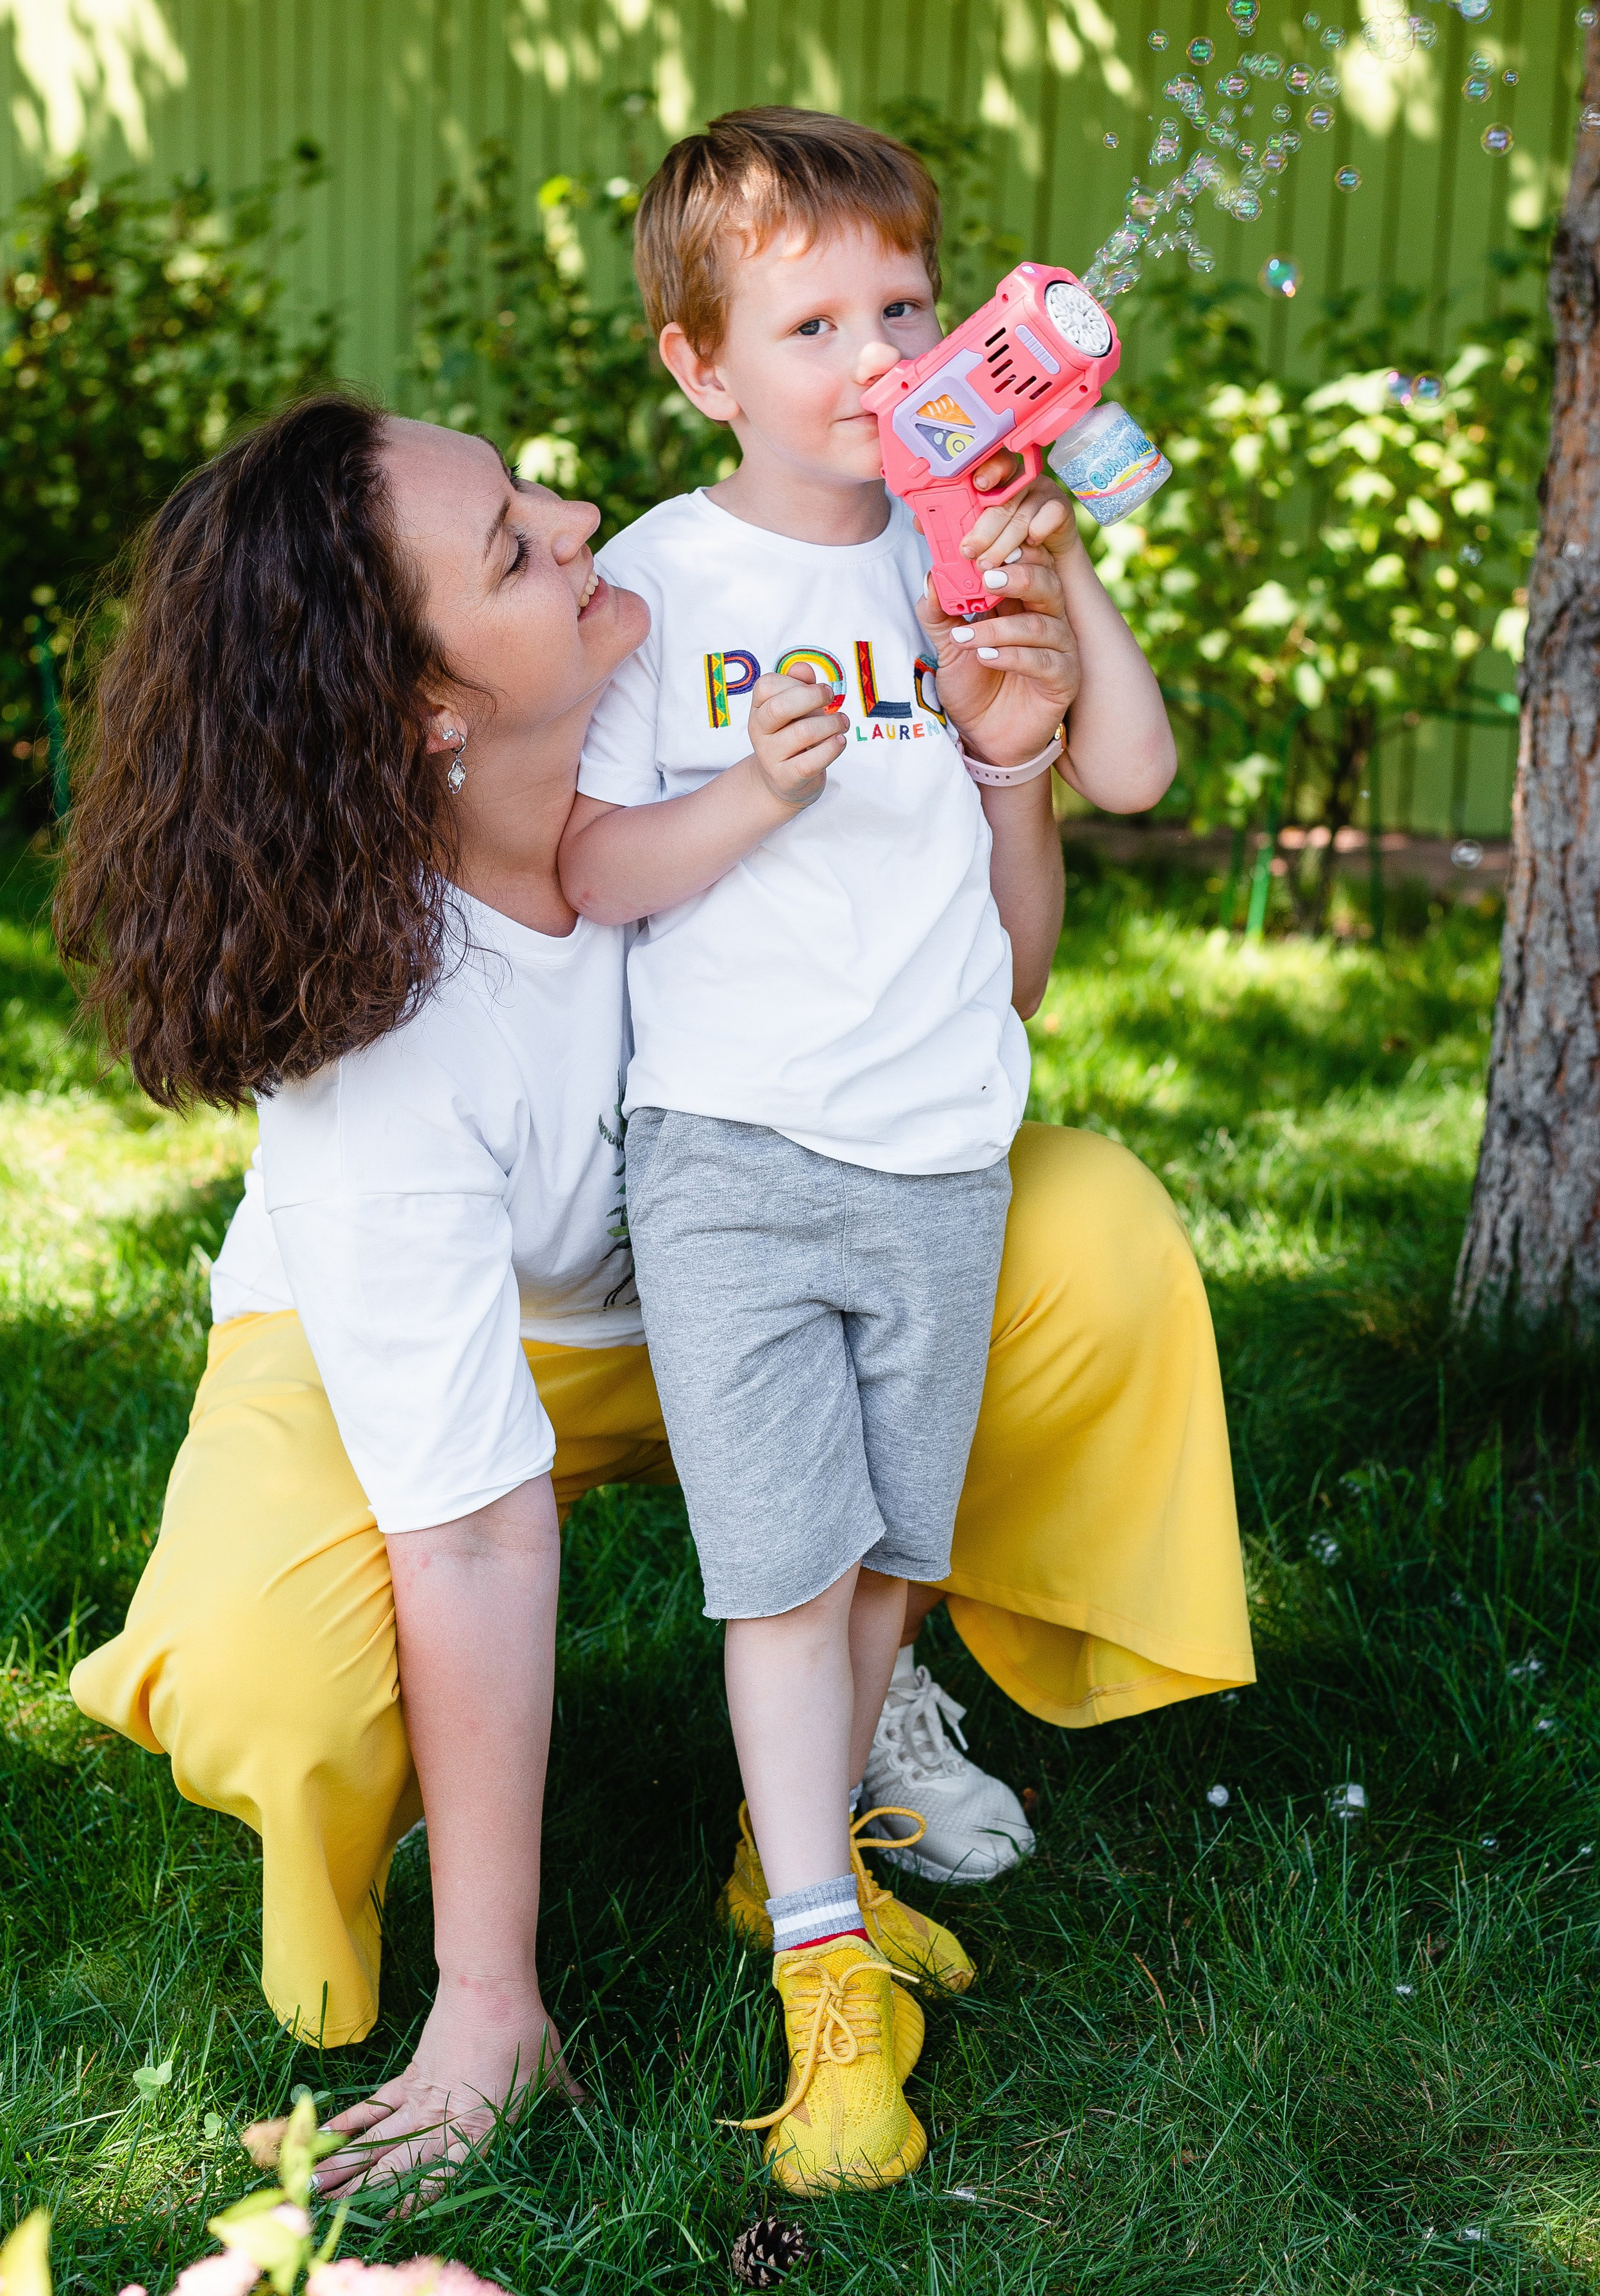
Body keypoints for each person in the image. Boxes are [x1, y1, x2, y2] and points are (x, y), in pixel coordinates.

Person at [56, 391, 1252, 2202]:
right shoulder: (387, 1053)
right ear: (431, 708)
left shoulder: (687, 698)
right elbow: (470, 1532)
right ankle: (429, 1903)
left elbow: (982, 997)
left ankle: (866, 1682)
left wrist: (1012, 770)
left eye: (534, 491)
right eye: (518, 546)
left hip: (743, 1277)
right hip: (430, 1351)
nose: (581, 512)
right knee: (263, 1684)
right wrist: (492, 1996)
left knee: (1079, 1233)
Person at [557, 106, 1177, 2193]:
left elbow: (1130, 772)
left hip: (939, 1147)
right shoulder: (666, 575)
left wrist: (1049, 605)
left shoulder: (960, 541)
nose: (872, 349)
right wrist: (755, 790)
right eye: (809, 320)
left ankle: (780, 1855)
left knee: (897, 1550)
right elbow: (586, 860)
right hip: (731, 1151)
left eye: (902, 304)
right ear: (702, 366)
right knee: (786, 1568)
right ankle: (827, 1994)